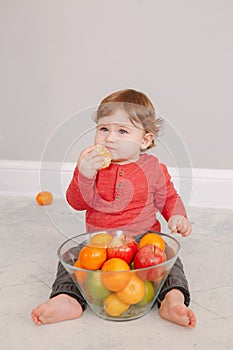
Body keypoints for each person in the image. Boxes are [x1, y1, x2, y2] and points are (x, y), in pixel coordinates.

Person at [31, 89, 196, 328]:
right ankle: (67, 298)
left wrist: (178, 216)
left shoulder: (154, 168)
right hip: (99, 242)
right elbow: (76, 202)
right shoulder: (91, 165)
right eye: (103, 129)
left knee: (170, 262)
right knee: (72, 260)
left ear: (145, 140)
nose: (109, 138)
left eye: (122, 131)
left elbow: (168, 197)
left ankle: (172, 299)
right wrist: (84, 175)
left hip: (143, 240)